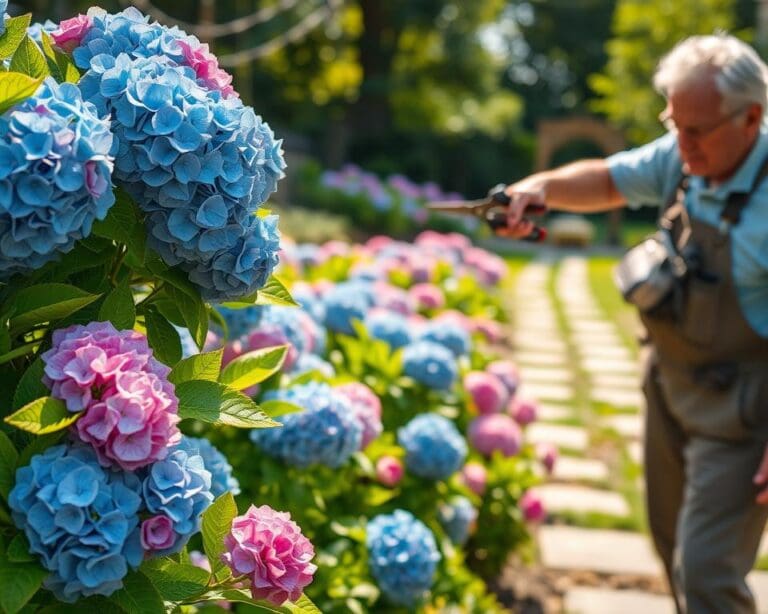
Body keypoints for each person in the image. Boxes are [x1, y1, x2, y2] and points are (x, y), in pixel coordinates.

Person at [499, 34, 768, 613]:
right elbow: (608, 179)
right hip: (669, 383)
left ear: (752, 117)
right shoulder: (682, 152)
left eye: (697, 130)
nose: (682, 145)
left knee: (706, 570)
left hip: (745, 411)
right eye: (675, 125)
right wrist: (539, 189)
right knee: (669, 542)